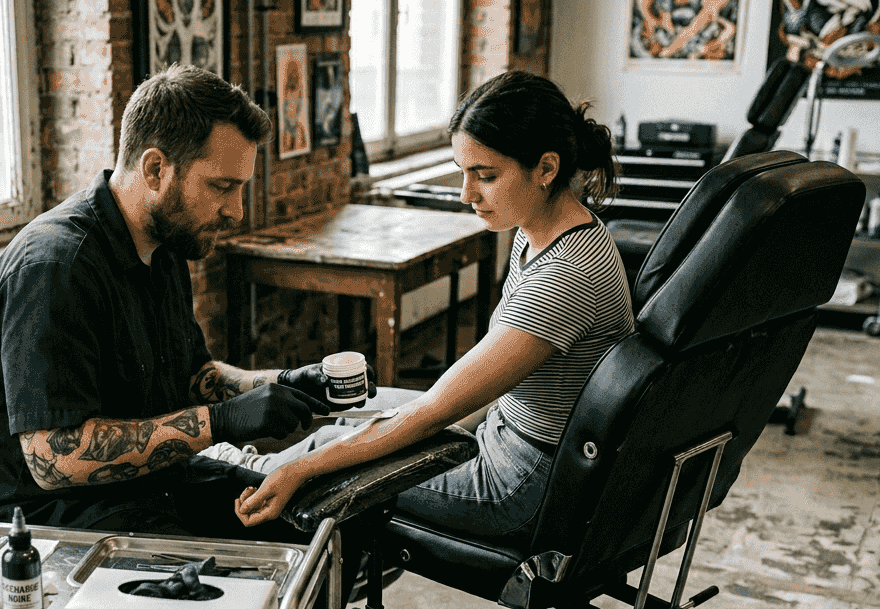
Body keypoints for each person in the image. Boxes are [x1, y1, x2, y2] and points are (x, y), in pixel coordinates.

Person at [0, 64, 370, 609]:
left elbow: (194, 378)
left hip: (144, 487)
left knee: (323, 523)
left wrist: (281, 386)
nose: (235, 211)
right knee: (247, 584)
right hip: (44, 520)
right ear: (155, 169)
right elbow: (54, 458)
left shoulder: (161, 246)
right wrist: (222, 424)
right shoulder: (56, 266)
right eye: (223, 187)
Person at [235, 70, 633, 540]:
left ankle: (238, 477)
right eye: (464, 172)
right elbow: (461, 402)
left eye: (485, 176)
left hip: (521, 483)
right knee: (353, 417)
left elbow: (435, 410)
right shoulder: (544, 233)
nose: (467, 194)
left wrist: (307, 469)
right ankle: (253, 473)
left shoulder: (565, 276)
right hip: (502, 433)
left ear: (546, 169)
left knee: (319, 462)